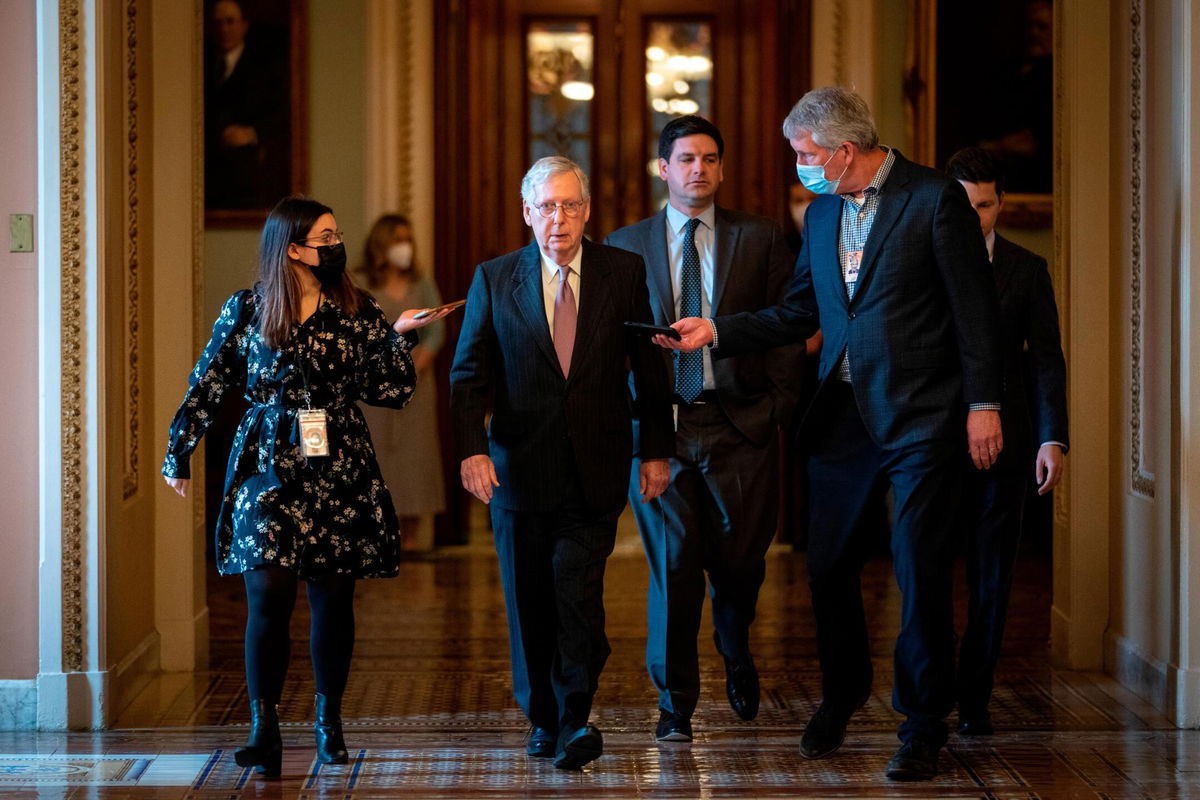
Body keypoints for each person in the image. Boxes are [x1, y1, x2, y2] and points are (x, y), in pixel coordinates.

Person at [659, 86, 1003, 781]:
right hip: (843, 421)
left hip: (921, 419)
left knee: (918, 570)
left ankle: (921, 723)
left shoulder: (934, 200)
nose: (801, 166)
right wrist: (717, 331)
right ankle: (842, 694)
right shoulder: (821, 215)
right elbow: (795, 313)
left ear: (845, 151)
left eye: (807, 154)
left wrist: (984, 403)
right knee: (828, 569)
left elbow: (976, 312)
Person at [162, 196, 451, 777]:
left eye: (336, 234)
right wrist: (179, 450)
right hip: (266, 460)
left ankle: (329, 724)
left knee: (332, 596)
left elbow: (391, 390)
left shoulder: (355, 308)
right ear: (293, 247)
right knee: (267, 592)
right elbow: (209, 381)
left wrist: (400, 337)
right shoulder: (246, 309)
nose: (335, 244)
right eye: (326, 236)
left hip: (338, 460)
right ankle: (263, 728)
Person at [449, 156, 674, 770]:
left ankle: (575, 717)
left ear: (586, 212)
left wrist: (655, 449)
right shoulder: (495, 279)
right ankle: (543, 720)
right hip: (519, 471)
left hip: (595, 467)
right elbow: (469, 375)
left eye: (570, 205)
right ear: (528, 213)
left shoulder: (622, 272)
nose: (560, 218)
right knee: (529, 604)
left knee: (578, 597)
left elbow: (649, 366)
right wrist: (472, 448)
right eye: (547, 206)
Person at [603, 115, 800, 742]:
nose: (700, 170)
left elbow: (787, 326)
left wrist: (775, 409)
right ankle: (675, 704)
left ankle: (735, 642)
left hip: (740, 424)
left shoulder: (761, 237)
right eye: (687, 159)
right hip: (661, 433)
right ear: (664, 169)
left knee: (741, 564)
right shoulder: (624, 245)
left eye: (710, 159)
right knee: (675, 564)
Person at [945, 146, 1068, 736]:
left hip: (1009, 443)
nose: (976, 219)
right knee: (927, 567)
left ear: (1001, 203)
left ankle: (975, 693)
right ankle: (932, 684)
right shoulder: (926, 263)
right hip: (934, 441)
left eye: (986, 206)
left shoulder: (1025, 269)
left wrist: (1052, 438)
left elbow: (1047, 360)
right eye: (965, 207)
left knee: (993, 573)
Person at [357, 214, 447, 554]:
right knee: (377, 457)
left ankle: (410, 540)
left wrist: (425, 354)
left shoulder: (423, 284)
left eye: (408, 239)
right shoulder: (361, 284)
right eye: (398, 240)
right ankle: (376, 538)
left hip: (417, 386)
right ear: (382, 244)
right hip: (374, 391)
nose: (404, 248)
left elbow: (437, 329)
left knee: (416, 457)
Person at [205, 0, 288, 209]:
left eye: (230, 21)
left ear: (244, 25)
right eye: (217, 22)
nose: (223, 28)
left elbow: (280, 115)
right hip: (208, 174)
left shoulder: (263, 67)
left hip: (248, 175)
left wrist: (251, 133)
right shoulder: (200, 64)